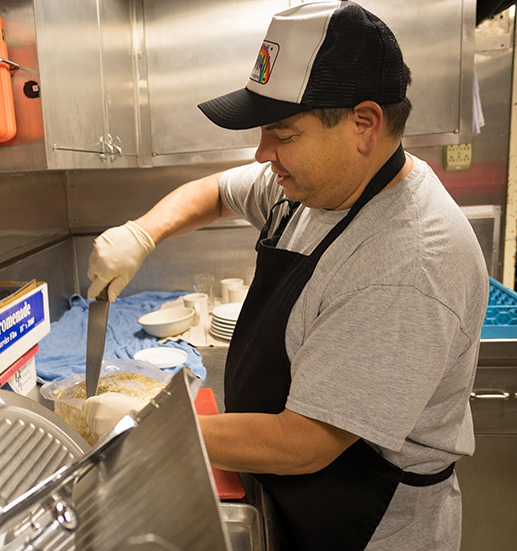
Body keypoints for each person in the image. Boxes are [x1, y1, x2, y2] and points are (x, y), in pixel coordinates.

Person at [83, 2, 489, 550]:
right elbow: (218, 192)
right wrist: (142, 233)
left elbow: (305, 442)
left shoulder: (409, 262)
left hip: (369, 528)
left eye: (283, 133)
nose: (262, 152)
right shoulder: (316, 183)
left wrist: (145, 429)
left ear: (363, 125)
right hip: (293, 498)